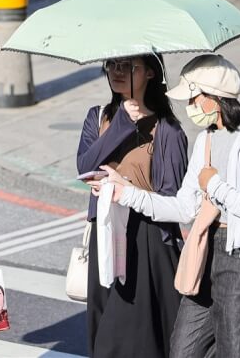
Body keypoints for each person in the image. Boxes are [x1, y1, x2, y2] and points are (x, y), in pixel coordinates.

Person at [94, 54, 240, 358]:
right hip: (207, 248)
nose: (190, 107)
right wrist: (127, 193)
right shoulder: (207, 140)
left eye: (194, 98)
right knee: (183, 349)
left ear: (215, 98)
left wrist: (214, 185)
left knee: (234, 351)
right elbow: (184, 207)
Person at [76, 55, 187, 357]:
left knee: (134, 337)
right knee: (103, 322)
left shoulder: (168, 130)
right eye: (112, 65)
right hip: (106, 229)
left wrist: (128, 191)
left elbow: (172, 196)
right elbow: (85, 165)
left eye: (128, 66)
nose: (117, 72)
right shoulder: (98, 117)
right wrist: (122, 123)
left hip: (147, 238)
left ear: (150, 73)